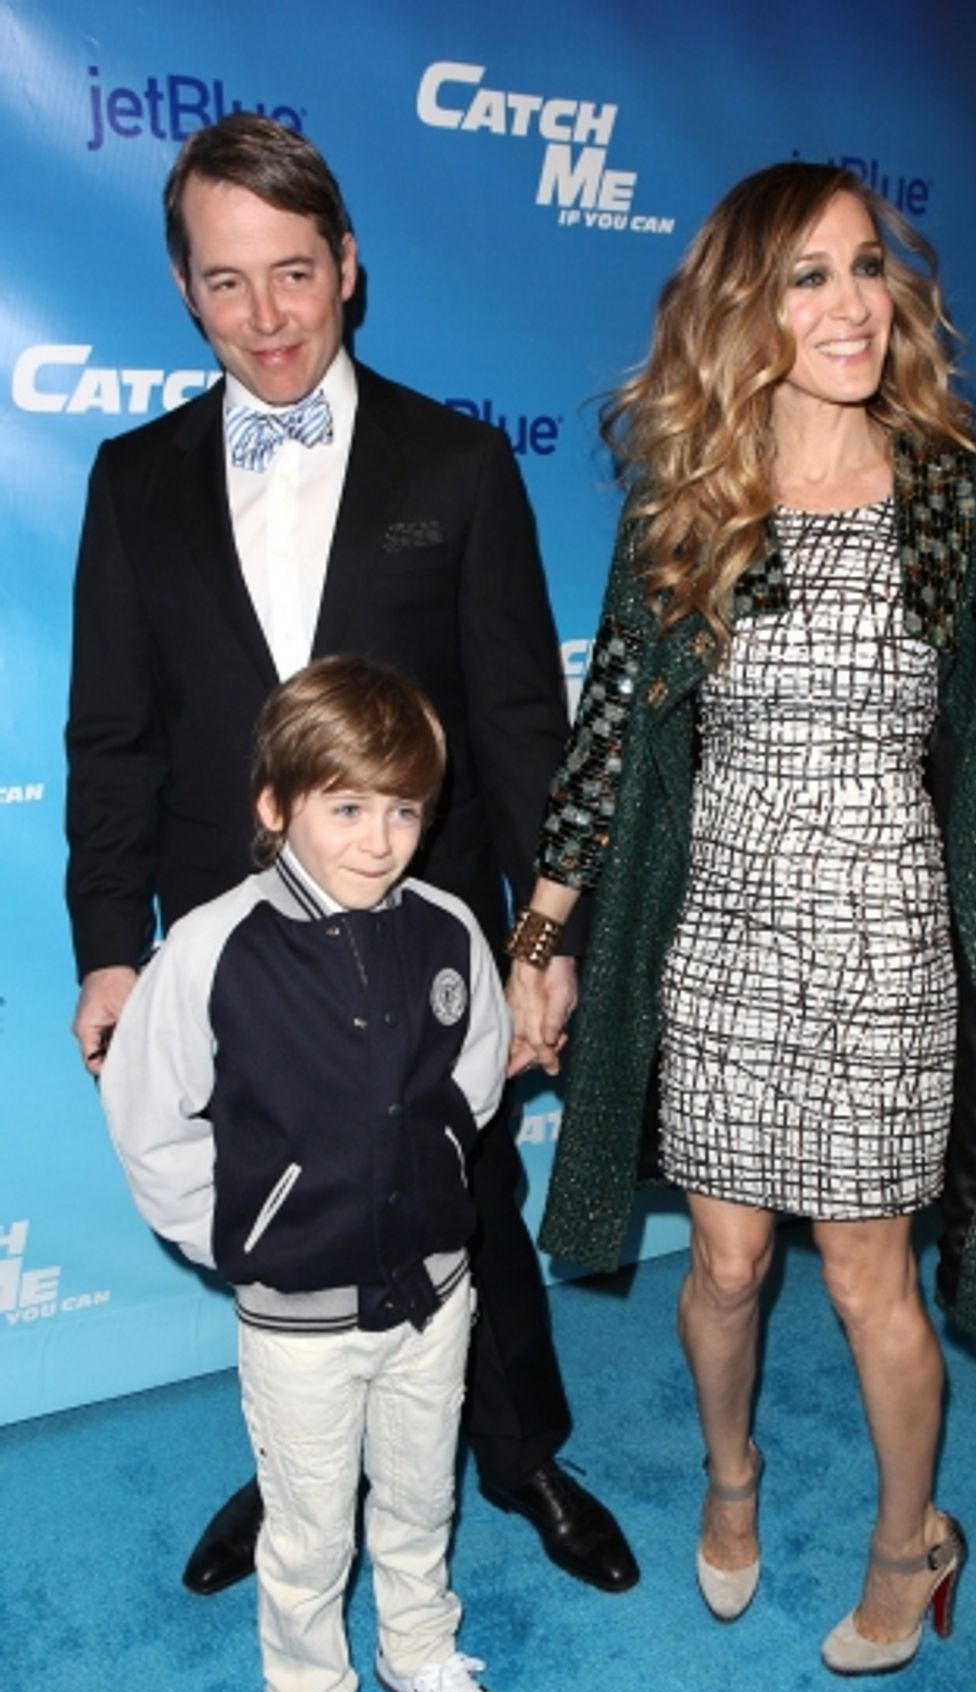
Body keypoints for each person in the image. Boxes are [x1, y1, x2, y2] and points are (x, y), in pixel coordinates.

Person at [507, 162, 976, 1669]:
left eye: (866, 268)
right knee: (722, 1265)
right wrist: (541, 939)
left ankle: (911, 1549)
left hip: (893, 950)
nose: (851, 305)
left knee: (867, 1276)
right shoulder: (691, 511)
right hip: (721, 949)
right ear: (744, 312)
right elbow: (603, 751)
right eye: (808, 277)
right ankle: (732, 1478)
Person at [65, 114, 635, 1597]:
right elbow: (112, 738)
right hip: (234, 940)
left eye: (295, 274)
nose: (265, 317)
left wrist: (544, 941)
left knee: (468, 1202)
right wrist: (112, 949)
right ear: (186, 289)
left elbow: (521, 726)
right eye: (227, 280)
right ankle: (292, 1471)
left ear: (350, 268)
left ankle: (520, 1458)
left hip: (429, 934)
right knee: (282, 1214)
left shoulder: (457, 465)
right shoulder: (131, 481)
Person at [101, 658, 516, 1692]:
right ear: (275, 806)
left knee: (423, 1492)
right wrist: (253, 1235)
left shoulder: (446, 929)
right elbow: (151, 1120)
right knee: (309, 1530)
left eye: (403, 809)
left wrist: (427, 1170)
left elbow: (473, 1078)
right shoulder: (212, 950)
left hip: (437, 1291)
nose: (381, 839)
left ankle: (419, 1649)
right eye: (347, 807)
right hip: (298, 1319)